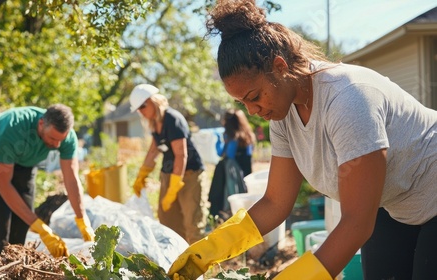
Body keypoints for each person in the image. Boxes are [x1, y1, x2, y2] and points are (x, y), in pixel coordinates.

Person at [168, 1, 437, 280]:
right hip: (393, 206)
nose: (252, 111)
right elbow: (275, 202)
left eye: (254, 96)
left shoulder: (348, 100)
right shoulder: (283, 114)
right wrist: (209, 251)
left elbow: (356, 223)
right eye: (242, 102)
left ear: (280, 67)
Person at [0, 104, 95, 258]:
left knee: (22, 221)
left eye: (61, 140)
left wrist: (82, 220)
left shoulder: (66, 137)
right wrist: (41, 228)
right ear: (41, 124)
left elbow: (71, 178)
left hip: (25, 163)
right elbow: (4, 185)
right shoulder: (13, 129)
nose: (57, 145)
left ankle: (14, 266)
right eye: (52, 138)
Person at [129, 84, 208, 244]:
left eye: (142, 106)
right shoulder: (154, 123)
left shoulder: (172, 119)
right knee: (168, 222)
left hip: (189, 175)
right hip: (169, 174)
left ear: (153, 101)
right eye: (138, 109)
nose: (141, 112)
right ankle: (176, 261)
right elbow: (153, 151)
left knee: (192, 224)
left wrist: (174, 187)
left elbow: (181, 154)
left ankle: (199, 267)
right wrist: (141, 176)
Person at [216, 108, 256, 177]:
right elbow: (249, 154)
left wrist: (218, 141)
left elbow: (223, 153)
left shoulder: (230, 137)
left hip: (234, 174)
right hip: (247, 172)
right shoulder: (249, 136)